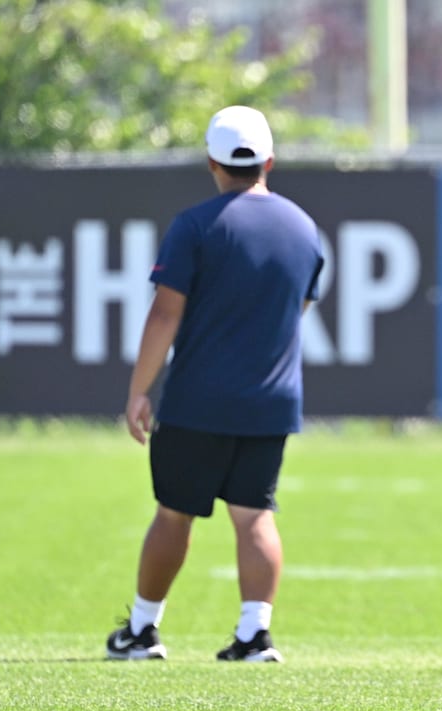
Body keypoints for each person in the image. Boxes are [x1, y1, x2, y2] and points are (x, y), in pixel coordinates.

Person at [105, 105, 325, 663]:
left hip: (198, 401)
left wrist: (138, 390)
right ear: (268, 162)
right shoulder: (303, 228)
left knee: (174, 512)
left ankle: (142, 628)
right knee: (254, 514)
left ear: (212, 162)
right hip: (271, 402)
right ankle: (255, 633)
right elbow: (294, 310)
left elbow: (164, 315)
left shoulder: (196, 225)